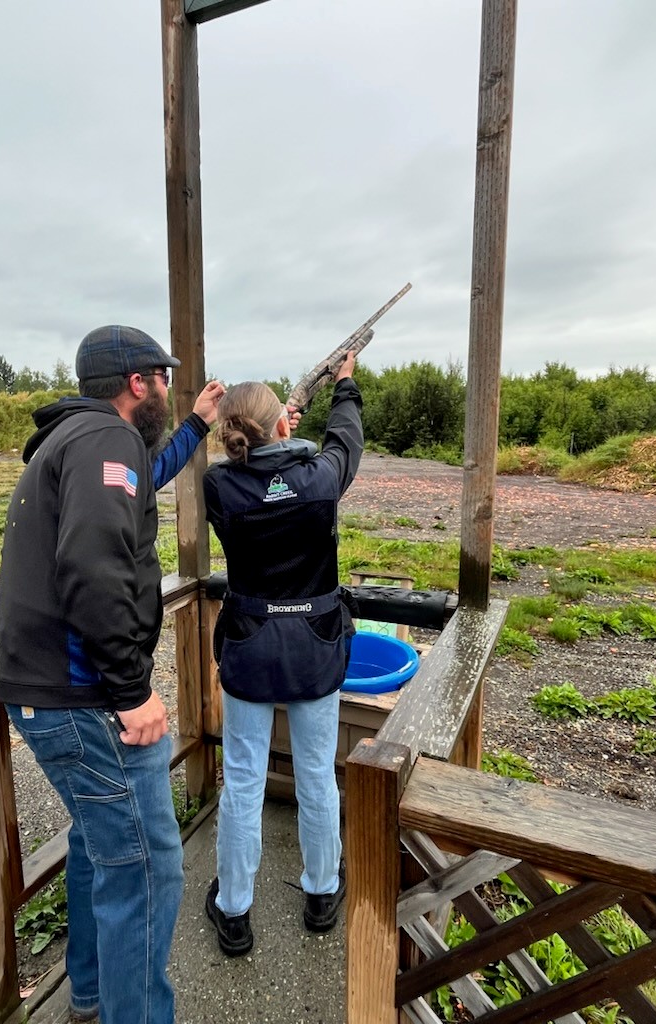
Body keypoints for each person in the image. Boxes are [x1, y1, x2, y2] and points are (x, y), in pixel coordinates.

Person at [0, 325, 224, 1024]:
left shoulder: (83, 440)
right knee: (147, 869)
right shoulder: (106, 440)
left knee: (104, 847)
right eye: (164, 380)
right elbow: (92, 569)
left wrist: (194, 425)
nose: (167, 390)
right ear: (138, 382)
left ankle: (90, 997)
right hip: (84, 697)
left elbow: (142, 477)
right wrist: (132, 691)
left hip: (47, 691)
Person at [202, 351, 363, 956]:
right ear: (283, 425)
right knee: (317, 775)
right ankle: (322, 892)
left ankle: (235, 910)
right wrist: (343, 386)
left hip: (249, 645)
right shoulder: (319, 478)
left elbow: (259, 476)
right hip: (315, 647)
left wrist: (276, 438)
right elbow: (344, 443)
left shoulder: (220, 485)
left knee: (242, 782)